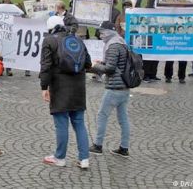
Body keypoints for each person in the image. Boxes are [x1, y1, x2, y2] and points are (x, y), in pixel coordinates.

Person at [40, 16, 91, 169]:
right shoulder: (77, 40)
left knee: (61, 124)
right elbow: (87, 63)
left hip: (60, 87)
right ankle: (84, 159)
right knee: (80, 124)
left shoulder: (49, 40)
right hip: (78, 88)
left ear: (50, 28)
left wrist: (44, 87)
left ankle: (60, 158)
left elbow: (46, 66)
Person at [89, 21, 130, 158]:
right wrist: (102, 63)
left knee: (102, 115)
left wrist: (95, 66)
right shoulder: (122, 42)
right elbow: (116, 64)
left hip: (114, 87)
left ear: (108, 32)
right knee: (123, 118)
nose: (100, 35)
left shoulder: (112, 46)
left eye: (101, 32)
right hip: (124, 87)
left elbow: (110, 69)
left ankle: (98, 145)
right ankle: (124, 148)